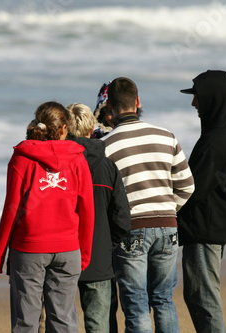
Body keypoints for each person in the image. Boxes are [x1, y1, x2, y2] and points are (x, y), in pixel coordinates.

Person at [0, 101, 95, 332]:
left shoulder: (22, 158)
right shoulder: (78, 159)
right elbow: (87, 209)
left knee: (25, 322)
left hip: (28, 250)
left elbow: (11, 209)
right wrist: (84, 254)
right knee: (64, 321)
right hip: (68, 250)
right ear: (64, 129)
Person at [101, 77, 195, 333]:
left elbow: (104, 199)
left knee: (136, 304)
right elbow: (187, 185)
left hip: (130, 229)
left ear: (109, 107)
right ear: (138, 101)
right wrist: (168, 210)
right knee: (164, 300)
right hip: (167, 227)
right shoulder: (166, 137)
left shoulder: (106, 146)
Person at [178, 70, 226, 333]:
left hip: (205, 232)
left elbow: (192, 190)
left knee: (204, 301)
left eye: (197, 98)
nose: (194, 103)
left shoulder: (216, 140)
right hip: (214, 228)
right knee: (200, 297)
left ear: (212, 100)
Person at [66, 103, 131, 333]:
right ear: (92, 127)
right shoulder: (108, 166)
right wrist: (107, 244)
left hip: (63, 254)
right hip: (99, 257)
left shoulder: (58, 165)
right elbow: (122, 218)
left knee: (62, 323)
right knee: (99, 325)